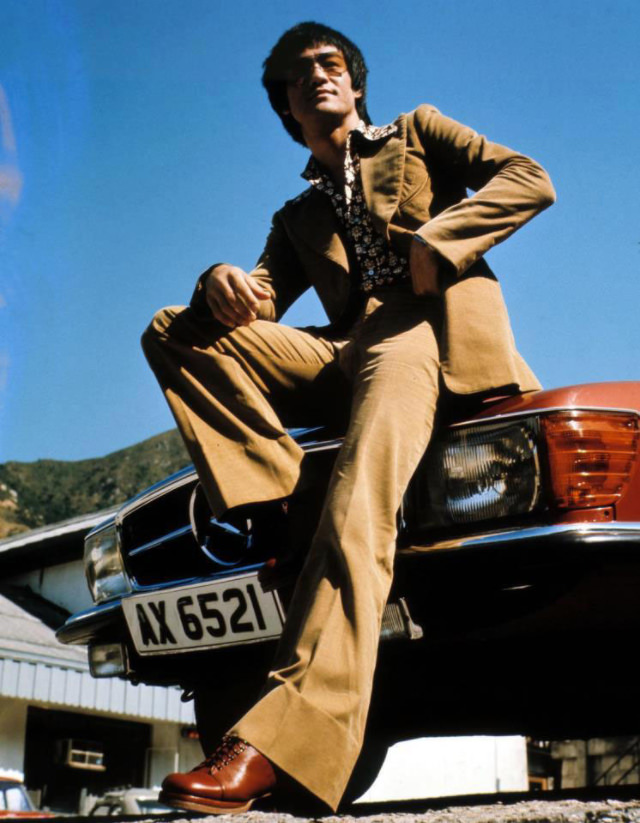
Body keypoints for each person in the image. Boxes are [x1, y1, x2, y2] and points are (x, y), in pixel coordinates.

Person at [142, 21, 555, 814]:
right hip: (345, 351)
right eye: (298, 77)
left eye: (330, 66)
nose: (317, 79)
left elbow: (529, 177)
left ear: (354, 84)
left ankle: (273, 737)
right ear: (287, 109)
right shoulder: (297, 214)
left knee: (357, 505)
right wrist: (222, 280)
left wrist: (443, 239)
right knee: (175, 327)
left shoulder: (420, 132)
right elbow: (260, 298)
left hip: (420, 331)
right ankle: (278, 494)